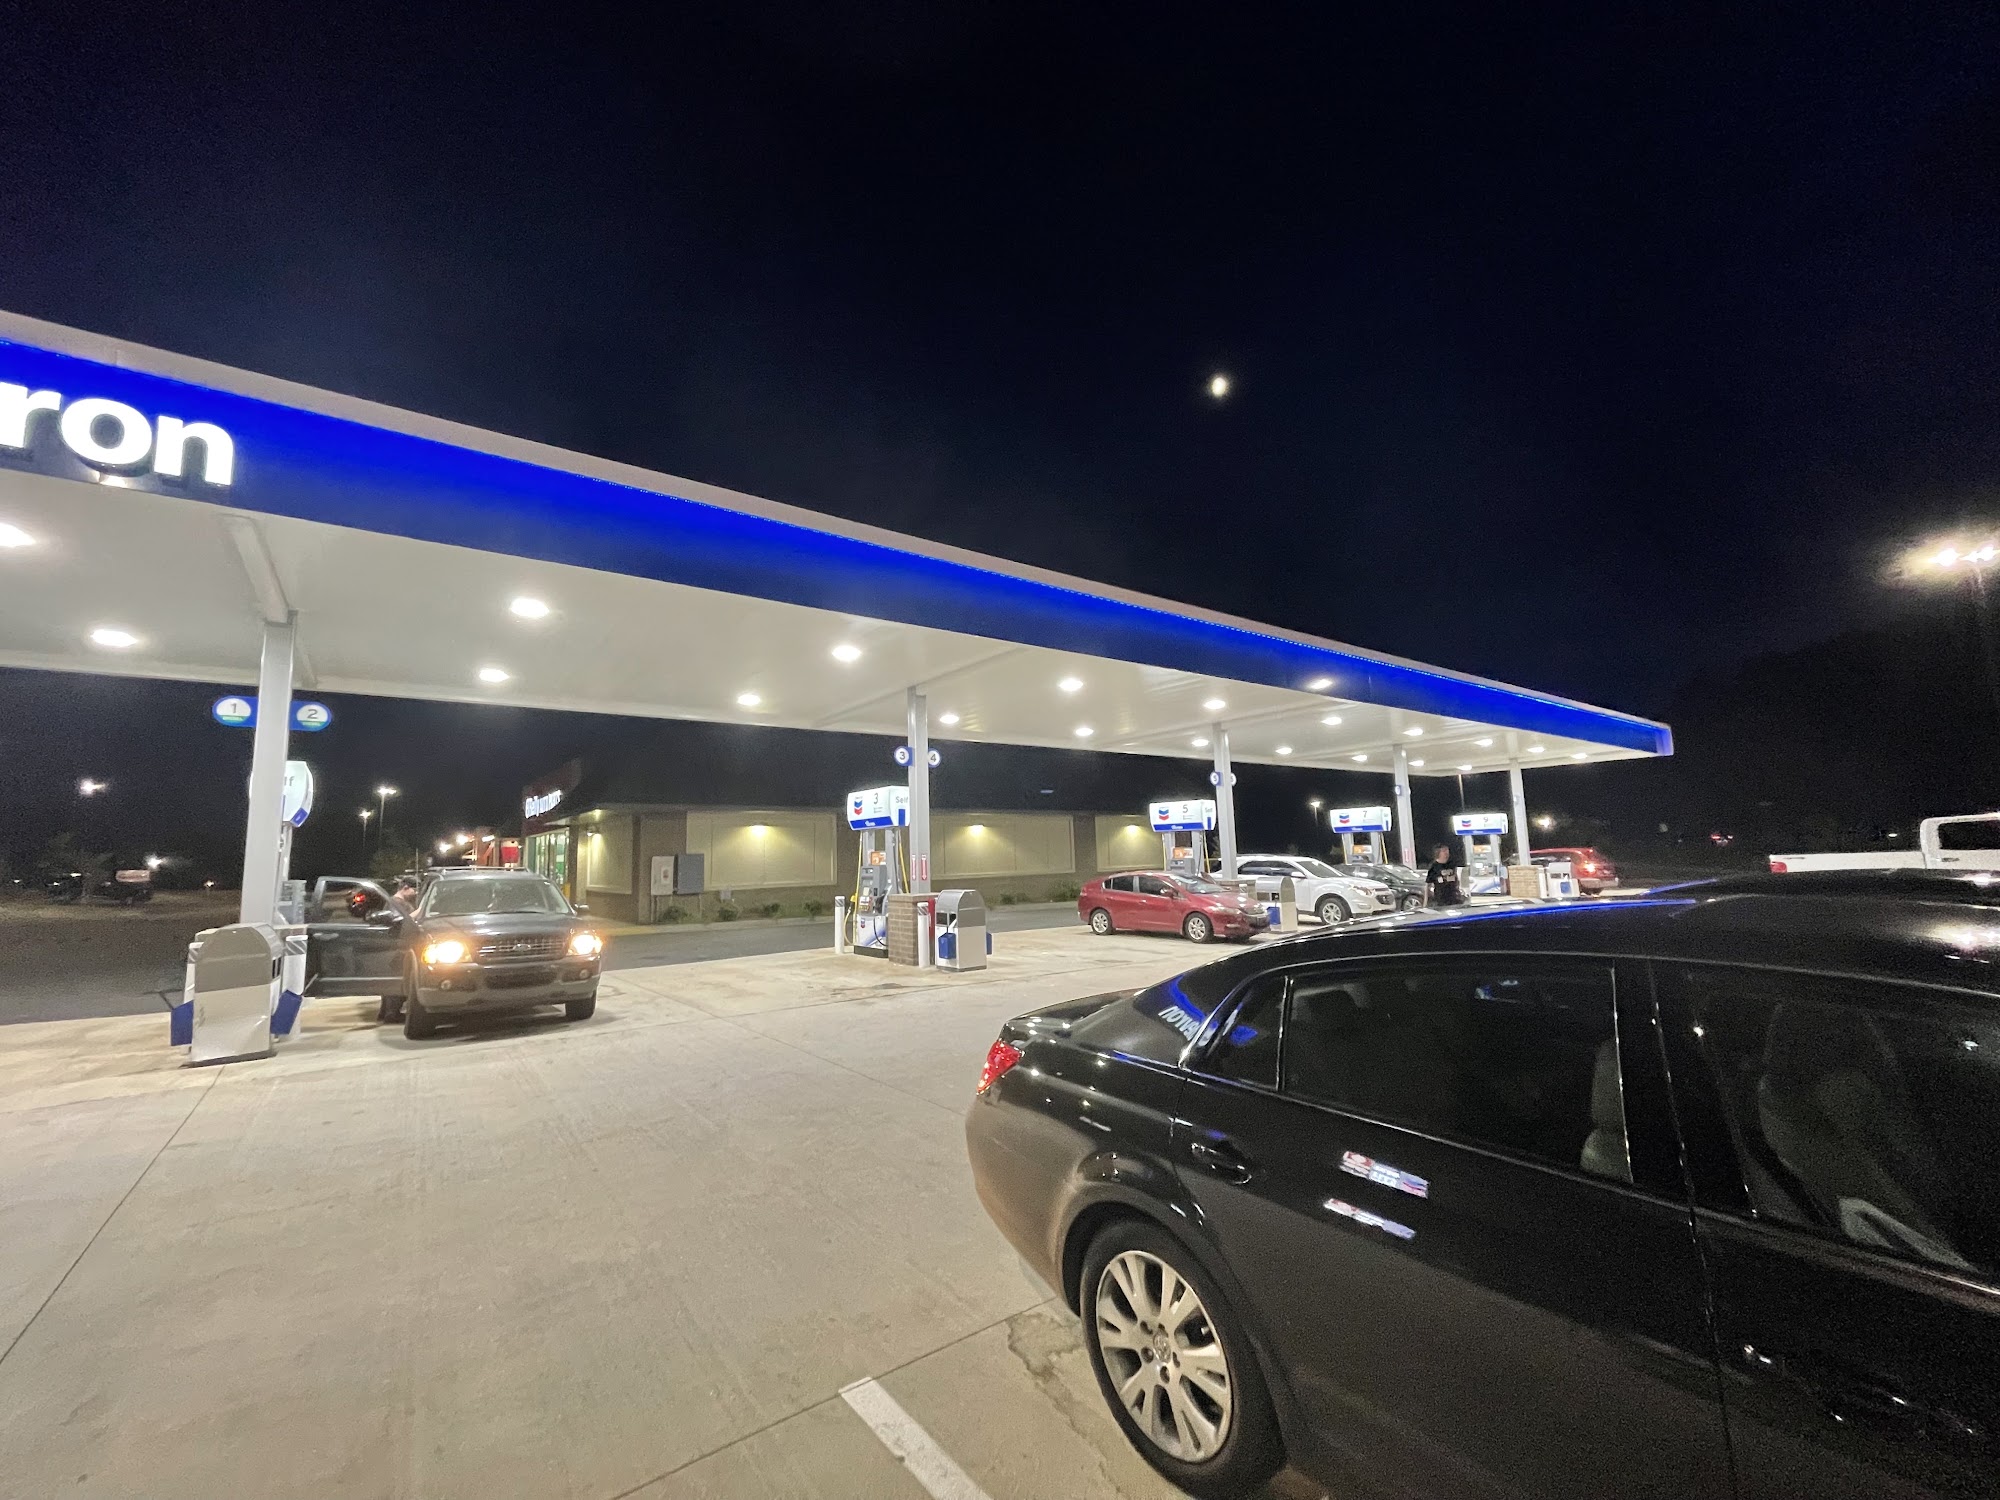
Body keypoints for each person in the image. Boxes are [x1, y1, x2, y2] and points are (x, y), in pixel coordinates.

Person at [1426, 843, 1465, 907]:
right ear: (1438, 852)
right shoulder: (1434, 866)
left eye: (1447, 850)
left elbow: (1456, 878)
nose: (1446, 853)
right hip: (1441, 898)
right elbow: (1428, 883)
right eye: (1444, 851)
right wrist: (1427, 901)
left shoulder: (1451, 864)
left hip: (1453, 896)